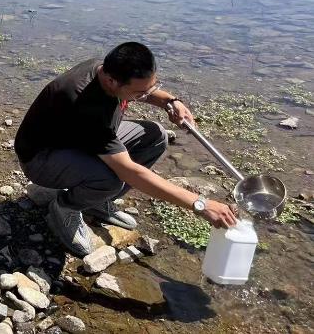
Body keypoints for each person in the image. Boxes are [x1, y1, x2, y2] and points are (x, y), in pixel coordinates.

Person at [14, 42, 237, 258]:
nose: (145, 95)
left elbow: (144, 90)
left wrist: (170, 101)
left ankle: (95, 200)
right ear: (112, 81)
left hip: (77, 140)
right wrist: (200, 204)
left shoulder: (106, 68)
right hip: (42, 157)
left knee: (155, 136)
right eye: (139, 93)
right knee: (111, 180)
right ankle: (66, 208)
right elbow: (130, 171)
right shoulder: (87, 106)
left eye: (153, 86)